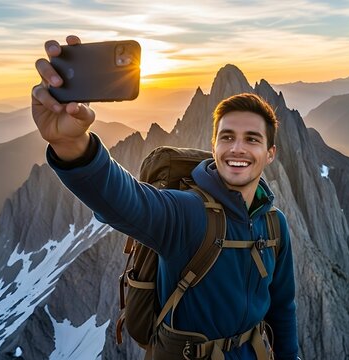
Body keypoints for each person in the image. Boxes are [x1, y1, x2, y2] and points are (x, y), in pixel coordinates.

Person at [31, 36, 299, 360]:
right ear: (214, 146)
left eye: (252, 139)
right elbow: (124, 200)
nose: (237, 148)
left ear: (270, 154)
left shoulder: (274, 224)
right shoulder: (187, 213)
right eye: (227, 137)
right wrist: (73, 146)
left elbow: (282, 308)